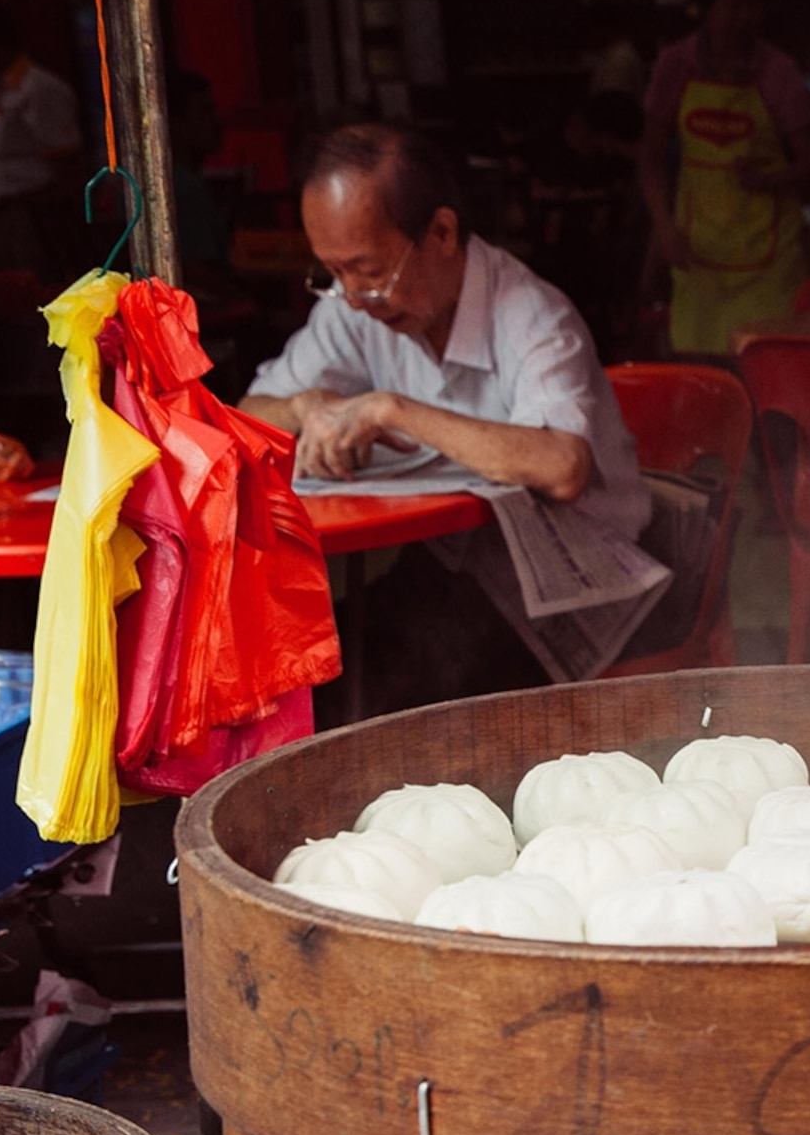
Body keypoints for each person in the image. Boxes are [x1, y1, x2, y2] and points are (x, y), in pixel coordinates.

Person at [242, 123, 650, 716]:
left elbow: (562, 466)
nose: (354, 298)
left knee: (391, 701)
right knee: (297, 672)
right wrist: (305, 408)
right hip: (450, 564)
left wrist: (389, 407)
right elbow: (246, 414)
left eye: (371, 272)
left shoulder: (533, 316)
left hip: (576, 581)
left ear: (441, 232)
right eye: (335, 274)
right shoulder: (356, 305)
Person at [638, 0, 810, 357]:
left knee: (768, 362)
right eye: (733, 5)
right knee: (702, 370)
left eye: (753, 7)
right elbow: (650, 159)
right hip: (698, 252)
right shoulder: (676, 65)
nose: (745, 17)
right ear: (708, 9)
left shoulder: (777, 71)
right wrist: (663, 227)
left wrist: (770, 179)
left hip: (770, 259)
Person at [0, 0, 85, 281]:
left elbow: (68, 166)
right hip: (5, 215)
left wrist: (55, 230)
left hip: (37, 216)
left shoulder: (39, 89)